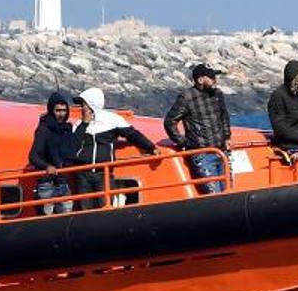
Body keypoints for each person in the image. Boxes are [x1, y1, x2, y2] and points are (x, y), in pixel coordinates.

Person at [73, 87, 160, 209]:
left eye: (84, 104)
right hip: (83, 173)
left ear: (92, 104)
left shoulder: (112, 120)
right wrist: (84, 124)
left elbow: (132, 135)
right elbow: (72, 144)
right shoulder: (78, 124)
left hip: (104, 173)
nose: (82, 108)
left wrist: (151, 147)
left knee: (105, 205)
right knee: (85, 208)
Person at [163, 63, 232, 194]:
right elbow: (170, 121)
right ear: (200, 80)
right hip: (202, 155)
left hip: (221, 152)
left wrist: (227, 136)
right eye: (211, 77)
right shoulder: (186, 97)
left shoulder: (217, 94)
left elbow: (224, 116)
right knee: (214, 195)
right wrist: (184, 142)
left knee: (229, 193)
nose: (214, 80)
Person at [28, 91, 79, 214]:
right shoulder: (44, 129)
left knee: (67, 212)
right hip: (47, 182)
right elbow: (33, 155)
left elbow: (72, 148)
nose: (61, 114)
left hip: (62, 180)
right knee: (47, 215)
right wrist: (47, 166)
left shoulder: (67, 129)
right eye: (58, 110)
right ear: (51, 110)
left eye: (64, 110)